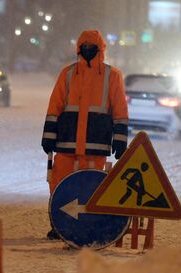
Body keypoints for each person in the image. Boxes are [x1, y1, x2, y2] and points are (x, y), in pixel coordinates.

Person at [42, 29, 129, 240]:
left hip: (94, 146)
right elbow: (55, 106)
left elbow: (120, 110)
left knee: (91, 188)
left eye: (92, 47)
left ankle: (88, 226)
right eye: (84, 47)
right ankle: (59, 224)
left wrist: (120, 138)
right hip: (68, 143)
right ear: (78, 48)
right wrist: (48, 135)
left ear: (100, 49)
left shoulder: (112, 75)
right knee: (59, 183)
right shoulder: (68, 73)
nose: (88, 50)